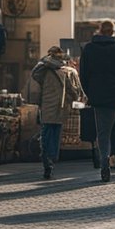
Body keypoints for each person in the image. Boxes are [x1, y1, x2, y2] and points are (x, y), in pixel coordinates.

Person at [79, 20, 115, 182]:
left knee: (103, 132)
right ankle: (112, 154)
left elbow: (83, 75)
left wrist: (90, 92)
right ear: (113, 32)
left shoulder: (89, 49)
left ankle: (105, 157)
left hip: (98, 96)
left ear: (99, 31)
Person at [31, 45, 82, 179]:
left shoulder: (44, 70)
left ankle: (47, 159)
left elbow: (34, 73)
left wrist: (45, 61)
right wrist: (76, 99)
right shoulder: (65, 71)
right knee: (54, 134)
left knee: (47, 132)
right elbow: (73, 90)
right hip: (59, 107)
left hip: (48, 106)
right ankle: (50, 159)